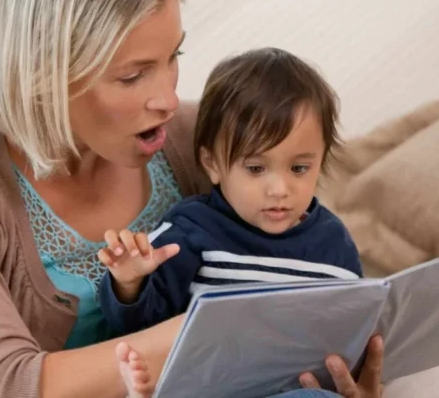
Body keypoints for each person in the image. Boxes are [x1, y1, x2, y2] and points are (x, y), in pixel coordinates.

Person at [0, 0, 384, 398]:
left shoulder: (198, 138)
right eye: (132, 74)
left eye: (173, 59)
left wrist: (333, 364)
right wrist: (236, 323)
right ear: (43, 75)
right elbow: (5, 385)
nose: (166, 98)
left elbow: (304, 220)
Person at [97, 48, 363, 397]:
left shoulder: (335, 244)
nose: (280, 190)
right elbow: (141, 327)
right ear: (212, 164)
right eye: (255, 169)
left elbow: (354, 336)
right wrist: (129, 283)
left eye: (299, 168)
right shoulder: (191, 229)